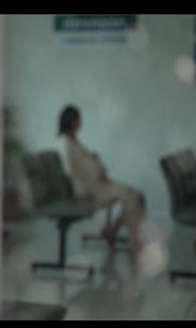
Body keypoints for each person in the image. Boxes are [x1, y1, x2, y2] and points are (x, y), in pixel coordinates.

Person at [56, 104, 146, 270]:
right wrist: (93, 176)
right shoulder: (65, 143)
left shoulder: (74, 140)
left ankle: (113, 231)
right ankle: (132, 243)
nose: (80, 122)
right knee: (132, 197)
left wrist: (92, 159)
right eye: (78, 119)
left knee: (137, 196)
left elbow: (82, 162)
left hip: (100, 184)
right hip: (90, 190)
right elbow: (70, 173)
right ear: (71, 121)